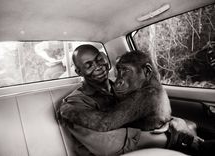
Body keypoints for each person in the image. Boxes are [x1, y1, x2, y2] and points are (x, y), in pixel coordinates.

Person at [57, 44, 202, 156]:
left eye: (99, 59)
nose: (98, 66)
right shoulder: (74, 103)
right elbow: (107, 145)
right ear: (79, 72)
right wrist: (167, 138)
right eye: (88, 65)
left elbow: (143, 116)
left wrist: (173, 122)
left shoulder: (124, 87)